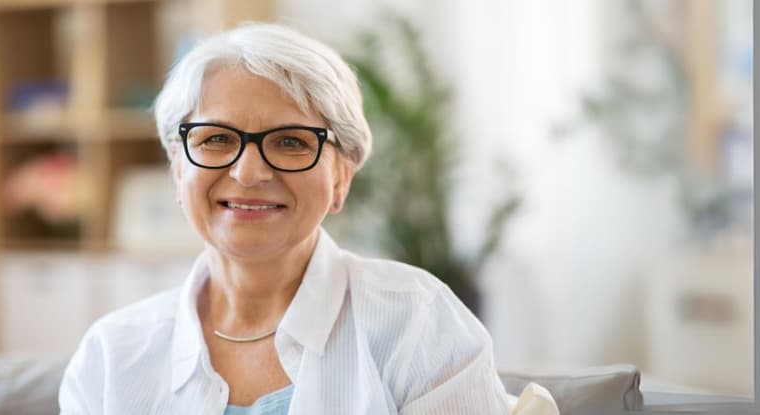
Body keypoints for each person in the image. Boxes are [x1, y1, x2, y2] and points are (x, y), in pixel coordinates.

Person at [59, 23, 512, 414]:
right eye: (216, 138)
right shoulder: (111, 356)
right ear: (179, 170)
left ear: (341, 177)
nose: (249, 172)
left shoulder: (417, 325)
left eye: (291, 142)